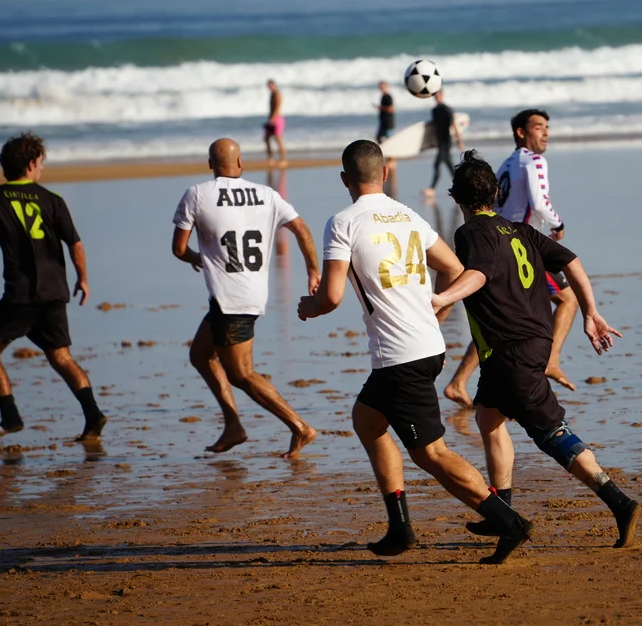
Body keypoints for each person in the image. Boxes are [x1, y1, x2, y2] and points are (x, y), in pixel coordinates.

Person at [297, 139, 533, 564]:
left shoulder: (343, 222)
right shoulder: (408, 215)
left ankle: (509, 521)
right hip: (425, 346)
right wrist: (436, 312)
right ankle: (400, 526)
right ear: (385, 173)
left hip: (401, 355)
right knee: (367, 420)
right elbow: (454, 268)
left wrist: (308, 308)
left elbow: (330, 297)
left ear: (345, 179)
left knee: (432, 453)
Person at [432, 150, 640, 548]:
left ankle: (620, 503)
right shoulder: (520, 231)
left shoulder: (470, 233)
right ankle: (502, 512)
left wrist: (440, 300)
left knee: (549, 433)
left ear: (455, 198)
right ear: (495, 193)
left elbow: (477, 274)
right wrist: (590, 311)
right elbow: (571, 260)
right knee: (488, 417)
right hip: (523, 346)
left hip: (512, 350)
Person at [172, 138, 319, 456]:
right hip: (247, 294)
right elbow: (301, 228)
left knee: (242, 373)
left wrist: (197, 258)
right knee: (201, 355)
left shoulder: (197, 194)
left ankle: (300, 427)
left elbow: (179, 248)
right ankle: (233, 425)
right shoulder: (267, 194)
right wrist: (312, 270)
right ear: (240, 163)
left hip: (231, 299)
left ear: (210, 165)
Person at [0, 132, 106, 442]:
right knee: (61, 357)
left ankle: (11, 416)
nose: (42, 167)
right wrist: (82, 279)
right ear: (30, 164)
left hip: (22, 296)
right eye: (41, 162)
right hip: (55, 292)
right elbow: (75, 243)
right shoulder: (53, 199)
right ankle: (93, 413)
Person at [445, 108, 575, 408]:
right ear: (521, 132)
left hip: (497, 241)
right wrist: (558, 224)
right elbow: (540, 203)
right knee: (568, 299)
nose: (545, 133)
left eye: (547, 127)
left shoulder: (506, 163)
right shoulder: (534, 161)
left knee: (498, 317)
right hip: (523, 246)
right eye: (539, 127)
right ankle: (551, 361)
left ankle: (458, 382)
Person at [422, 90, 462, 197]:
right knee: (449, 166)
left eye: (439, 95)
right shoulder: (434, 110)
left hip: (446, 142)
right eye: (435, 96)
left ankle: (432, 189)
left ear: (442, 96)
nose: (437, 97)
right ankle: (460, 187)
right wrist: (431, 142)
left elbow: (454, 125)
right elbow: (434, 127)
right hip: (440, 142)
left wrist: (459, 140)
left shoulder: (447, 110)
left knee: (437, 164)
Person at [263, 79, 286, 167]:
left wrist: (273, 119)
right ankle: (270, 158)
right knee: (266, 138)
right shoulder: (272, 94)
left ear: (274, 85)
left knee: (278, 139)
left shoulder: (277, 94)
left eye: (270, 85)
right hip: (272, 118)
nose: (269, 87)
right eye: (268, 86)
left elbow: (277, 107)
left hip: (277, 119)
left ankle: (283, 159)